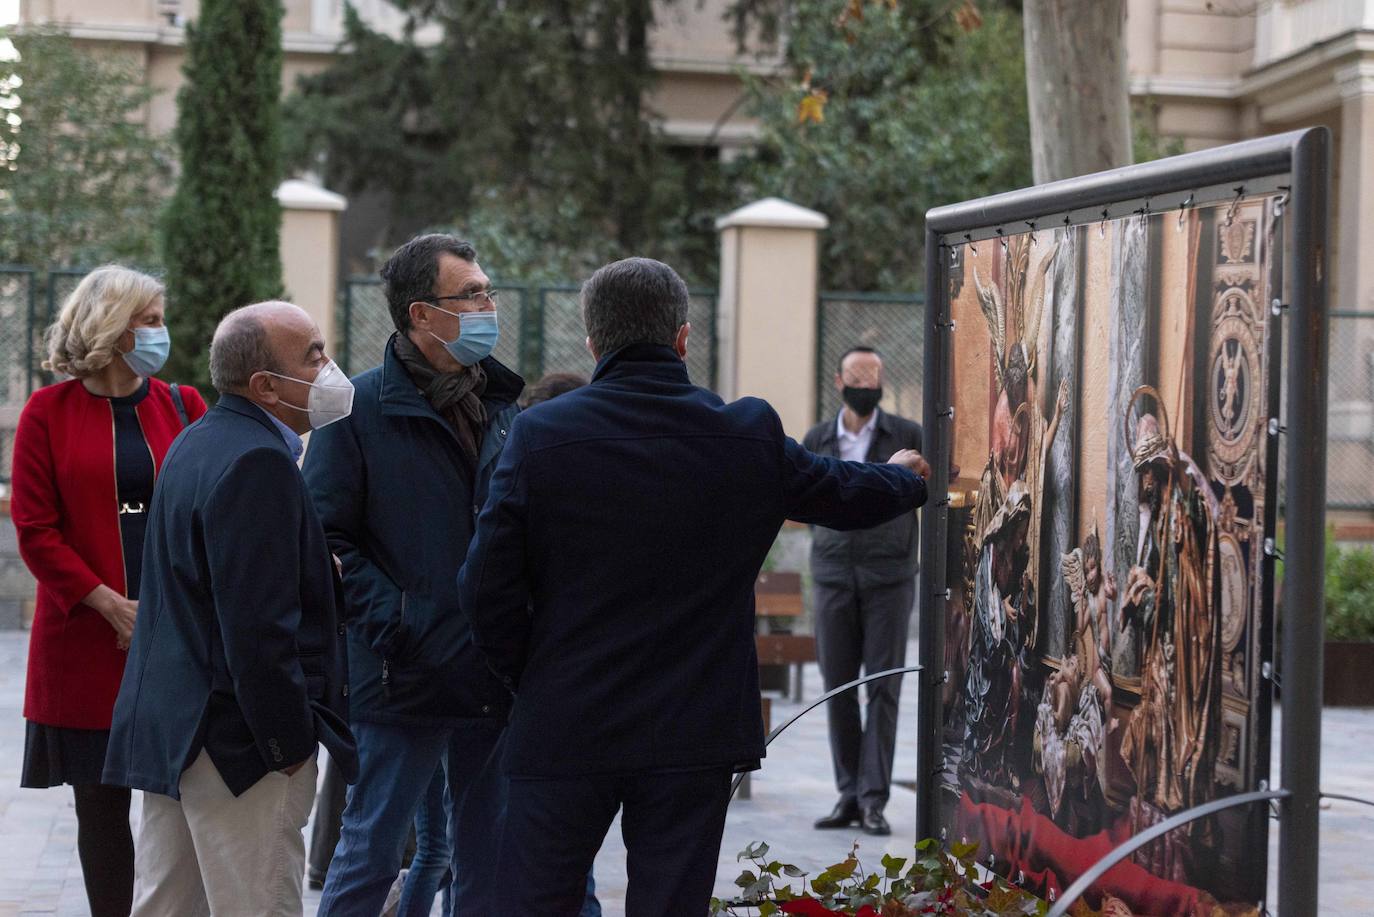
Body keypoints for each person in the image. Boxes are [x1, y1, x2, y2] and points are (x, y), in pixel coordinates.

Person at [458, 257, 930, 917]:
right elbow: (841, 491)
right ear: (682, 338)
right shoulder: (745, 433)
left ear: (594, 343)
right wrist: (908, 477)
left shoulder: (541, 436)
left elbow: (485, 587)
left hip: (566, 719)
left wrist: (528, 674)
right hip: (692, 728)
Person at [102, 300, 359, 917]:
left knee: (168, 905)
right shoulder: (258, 460)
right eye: (313, 355)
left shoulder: (199, 440)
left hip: (180, 731)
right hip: (239, 746)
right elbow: (258, 629)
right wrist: (288, 743)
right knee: (258, 903)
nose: (329, 368)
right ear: (266, 385)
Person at [303, 234, 521, 917]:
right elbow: (322, 535)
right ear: (422, 314)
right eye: (474, 294)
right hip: (403, 673)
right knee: (370, 850)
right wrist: (401, 621)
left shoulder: (504, 406)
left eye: (490, 291)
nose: (490, 305)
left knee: (486, 858)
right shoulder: (356, 408)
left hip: (493, 668)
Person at [10, 266, 207, 917]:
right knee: (99, 808)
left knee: (184, 804)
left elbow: (211, 512)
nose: (160, 332)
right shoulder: (47, 411)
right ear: (112, 327)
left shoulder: (183, 405)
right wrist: (110, 603)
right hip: (86, 642)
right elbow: (35, 530)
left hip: (176, 640)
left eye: (159, 317)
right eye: (148, 320)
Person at [802, 346, 925, 836]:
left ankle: (874, 799)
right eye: (857, 377)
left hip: (889, 577)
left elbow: (924, 492)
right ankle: (848, 794)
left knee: (884, 688)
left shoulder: (908, 435)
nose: (865, 386)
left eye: (873, 378)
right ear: (839, 381)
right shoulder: (817, 438)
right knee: (838, 687)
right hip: (833, 575)